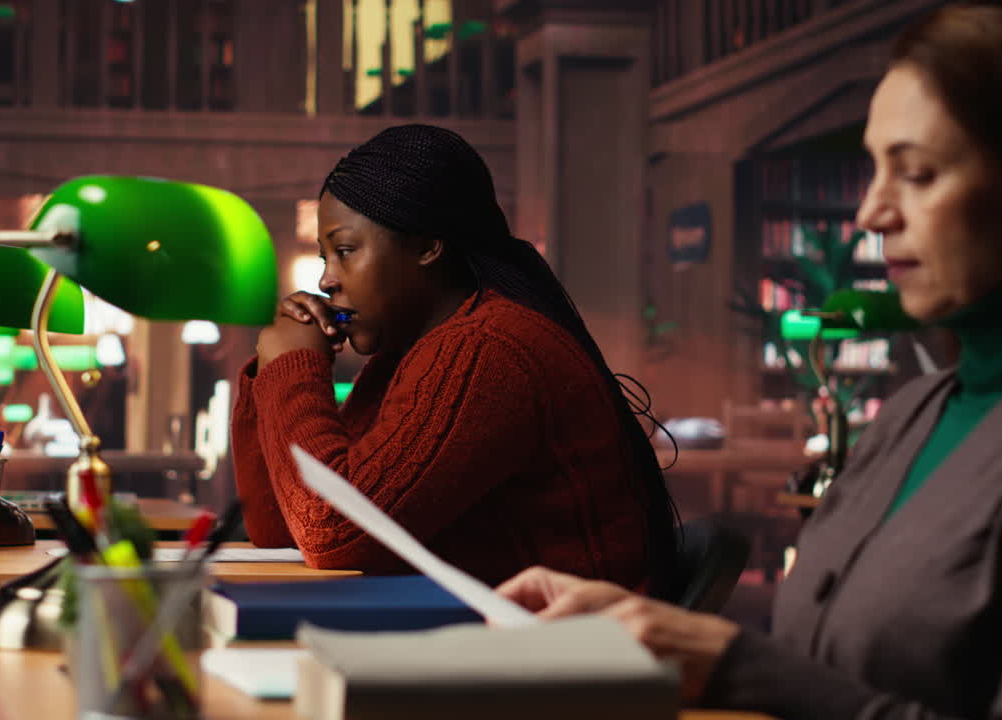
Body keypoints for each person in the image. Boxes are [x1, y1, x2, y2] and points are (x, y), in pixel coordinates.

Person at [497, 3, 1002, 718]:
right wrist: (647, 629)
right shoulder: (912, 415)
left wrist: (730, 662)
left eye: (918, 173)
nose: (872, 213)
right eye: (875, 169)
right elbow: (820, 669)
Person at [231, 124, 680, 594]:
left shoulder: (487, 349)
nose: (326, 281)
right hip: (493, 641)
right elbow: (281, 529)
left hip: (562, 655)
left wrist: (292, 368)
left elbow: (331, 533)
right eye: (325, 258)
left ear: (427, 245)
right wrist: (268, 374)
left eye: (344, 251)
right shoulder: (408, 354)